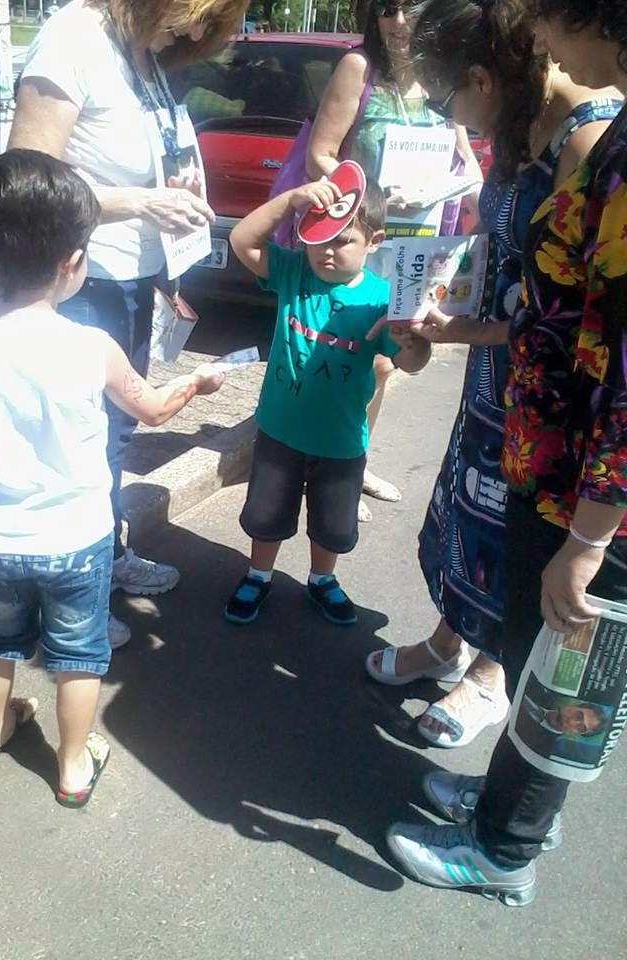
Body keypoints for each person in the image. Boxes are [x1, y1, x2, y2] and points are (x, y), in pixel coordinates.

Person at [386, 0, 627, 906]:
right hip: (552, 454)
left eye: (556, 23)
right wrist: (459, 329)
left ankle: (503, 853)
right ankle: (505, 809)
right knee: (536, 650)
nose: (547, 44)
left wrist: (591, 539)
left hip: (588, 479)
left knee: (565, 672)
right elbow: (555, 312)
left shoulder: (603, 144)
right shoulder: (599, 143)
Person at [0, 150, 224, 808]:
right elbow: (152, 408)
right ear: (72, 263)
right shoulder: (92, 346)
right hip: (77, 540)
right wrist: (197, 385)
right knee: (78, 655)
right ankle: (71, 765)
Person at [8, 0, 248, 647]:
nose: (196, 31)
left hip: (134, 278)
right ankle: (67, 599)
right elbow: (26, 176)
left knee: (110, 440)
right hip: (80, 280)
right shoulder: (73, 38)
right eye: (196, 13)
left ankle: (103, 562)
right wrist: (139, 202)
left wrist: (168, 231)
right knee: (78, 447)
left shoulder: (142, 49)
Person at [224, 173, 431, 626]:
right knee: (265, 515)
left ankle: (322, 579)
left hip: (340, 442)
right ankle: (259, 574)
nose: (327, 251)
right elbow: (242, 240)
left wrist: (414, 341)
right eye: (317, 239)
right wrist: (290, 200)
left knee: (332, 525)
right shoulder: (294, 271)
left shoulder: (384, 299)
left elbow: (412, 363)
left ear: (374, 241)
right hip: (279, 431)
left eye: (343, 240)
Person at [306, 0, 482, 522]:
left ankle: (352, 462)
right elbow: (320, 154)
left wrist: (449, 189)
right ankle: (322, 465)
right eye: (387, 10)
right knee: (346, 354)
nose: (399, 23)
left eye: (410, 8)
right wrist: (370, 196)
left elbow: (468, 166)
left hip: (417, 249)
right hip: (363, 240)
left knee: (385, 362)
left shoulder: (441, 76)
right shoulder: (359, 68)